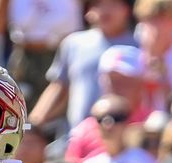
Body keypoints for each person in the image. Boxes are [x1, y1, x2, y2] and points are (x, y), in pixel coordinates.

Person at [30, 0, 136, 135]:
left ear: (127, 10)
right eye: (98, 5)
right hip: (79, 136)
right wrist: (33, 124)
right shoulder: (73, 43)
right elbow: (59, 87)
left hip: (125, 136)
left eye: (113, 4)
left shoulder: (140, 44)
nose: (105, 11)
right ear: (88, 11)